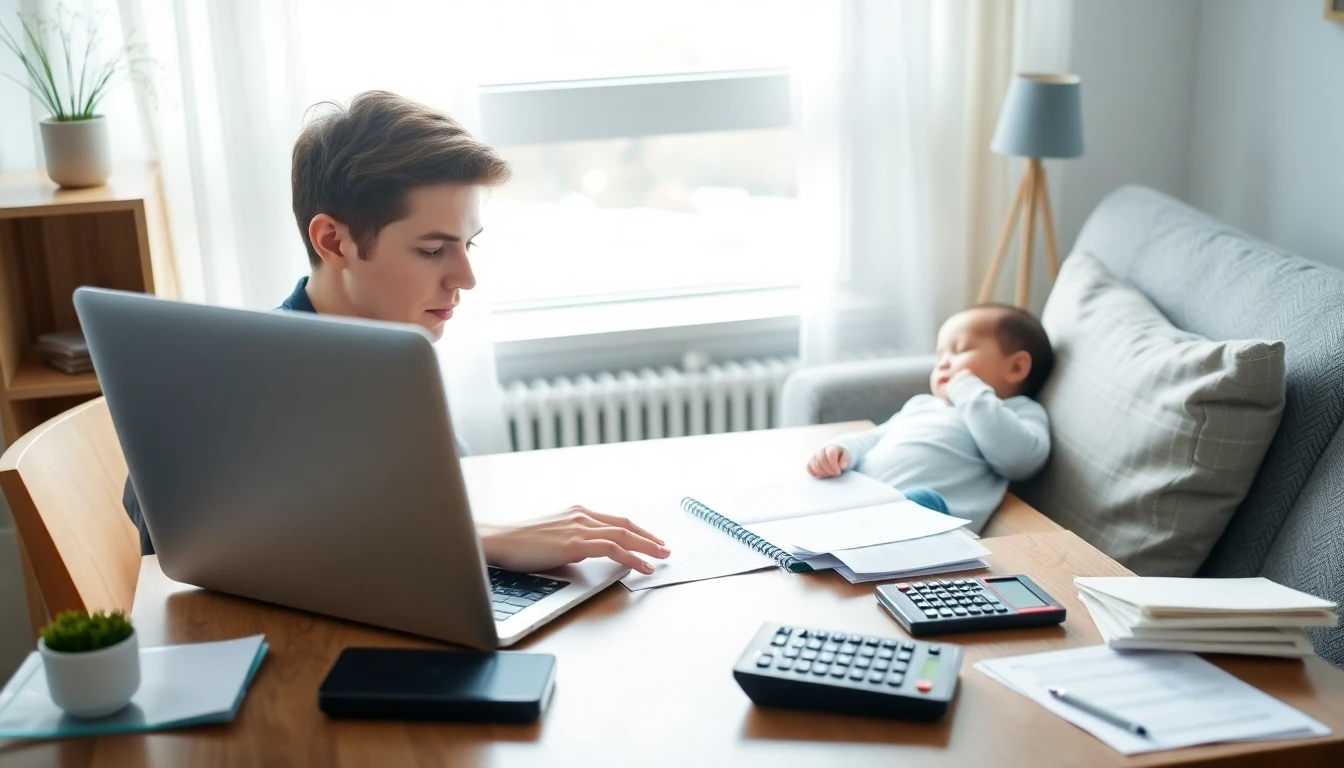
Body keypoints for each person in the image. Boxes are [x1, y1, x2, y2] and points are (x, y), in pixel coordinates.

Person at [122, 90, 669, 576]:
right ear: (333, 242)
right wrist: (483, 541)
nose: (466, 278)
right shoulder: (226, 383)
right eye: (433, 250)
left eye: (467, 245)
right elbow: (181, 547)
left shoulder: (396, 359)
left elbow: (427, 508)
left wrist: (491, 538)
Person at [805, 304, 1054, 532]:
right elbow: (877, 436)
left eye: (959, 350)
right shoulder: (924, 405)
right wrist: (844, 449)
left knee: (922, 501)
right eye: (940, 356)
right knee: (820, 497)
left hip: (929, 515)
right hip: (866, 498)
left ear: (1017, 367)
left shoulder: (1020, 411)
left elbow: (1020, 459)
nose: (944, 364)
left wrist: (967, 389)